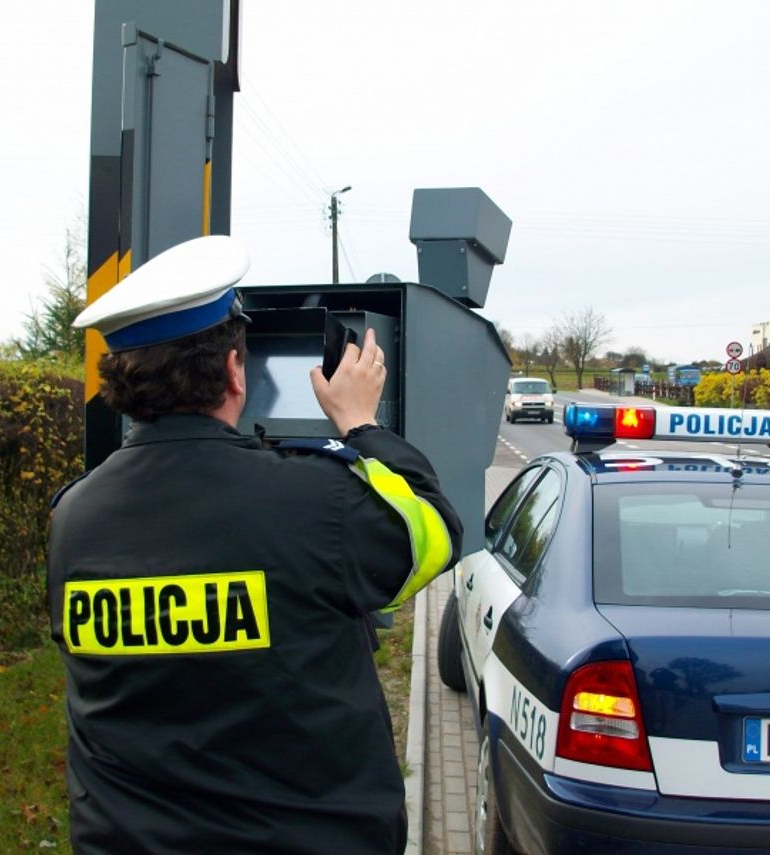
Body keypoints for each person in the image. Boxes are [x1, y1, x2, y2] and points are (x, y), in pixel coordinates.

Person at [47, 234, 463, 854]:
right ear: (233, 371)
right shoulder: (316, 501)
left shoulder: (72, 518)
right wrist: (361, 424)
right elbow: (433, 532)